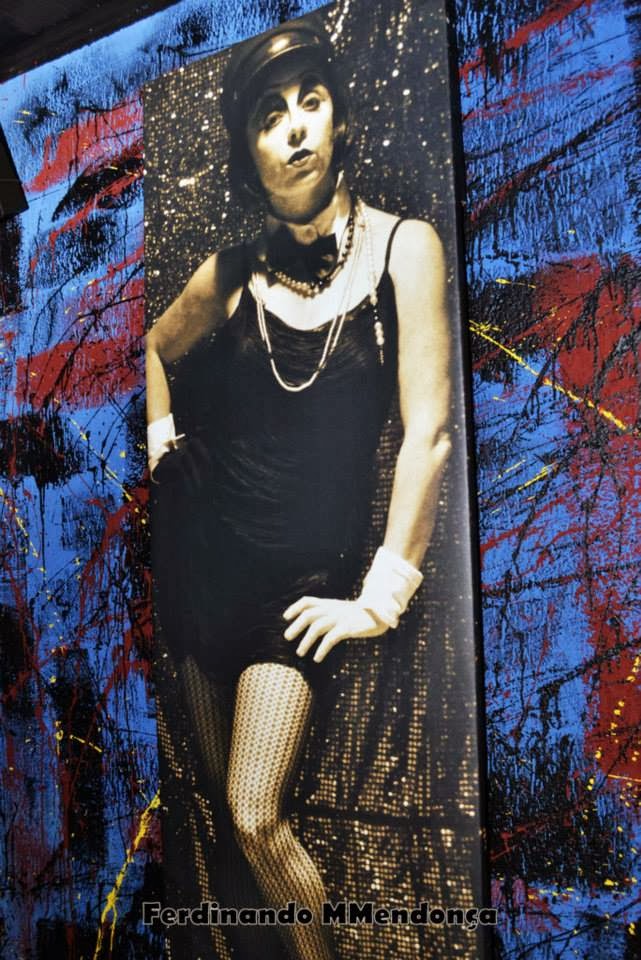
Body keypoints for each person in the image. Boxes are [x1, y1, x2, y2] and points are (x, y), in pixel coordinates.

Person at [146, 14, 451, 960]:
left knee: (254, 813)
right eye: (269, 115)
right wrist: (162, 447)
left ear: (339, 118)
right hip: (203, 569)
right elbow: (154, 349)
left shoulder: (404, 248)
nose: (294, 127)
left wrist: (380, 598)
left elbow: (429, 433)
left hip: (295, 590)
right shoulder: (231, 273)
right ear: (250, 152)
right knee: (217, 814)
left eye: (308, 102)